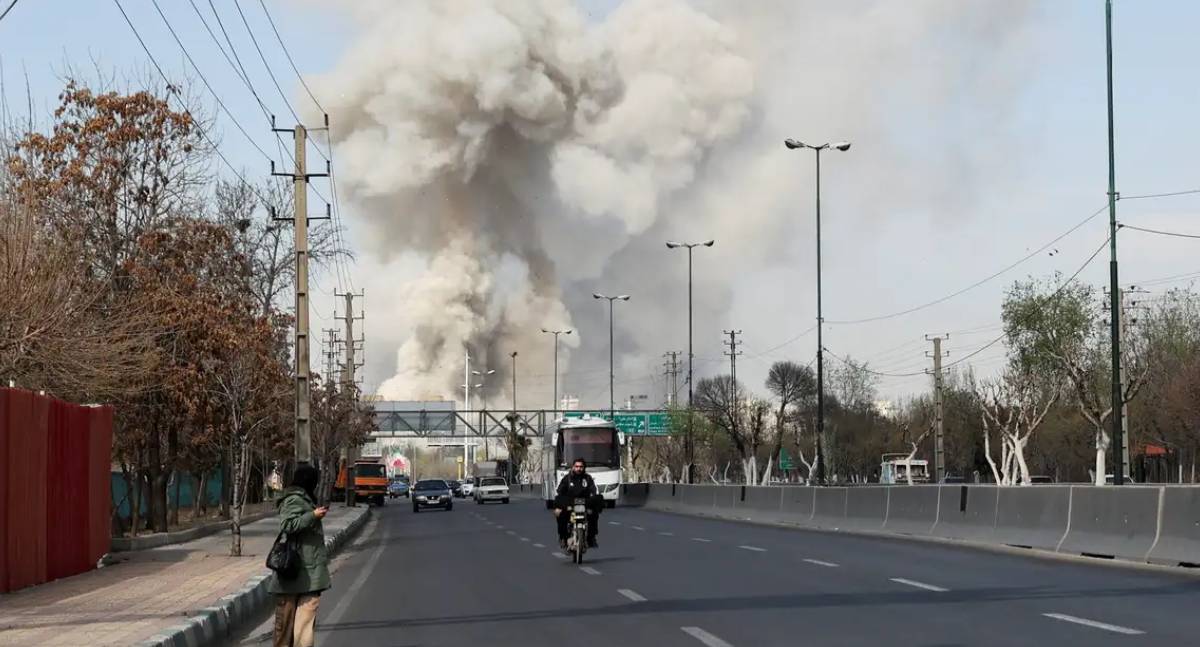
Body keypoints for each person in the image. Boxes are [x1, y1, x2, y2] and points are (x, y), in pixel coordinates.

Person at [270, 464, 331, 647]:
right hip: (293, 572)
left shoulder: (305, 498)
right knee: (285, 632)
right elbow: (287, 525)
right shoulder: (294, 499)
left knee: (304, 630)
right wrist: (312, 516)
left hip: (311, 573)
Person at [554, 458, 601, 549]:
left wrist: (594, 500)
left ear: (584, 468)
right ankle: (563, 537)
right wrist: (559, 505)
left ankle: (591, 538)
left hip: (584, 503)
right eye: (577, 466)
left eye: (581, 467)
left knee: (593, 513)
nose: (579, 469)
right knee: (561, 515)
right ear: (573, 467)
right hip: (570, 503)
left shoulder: (588, 478)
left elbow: (593, 490)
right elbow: (560, 491)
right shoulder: (567, 478)